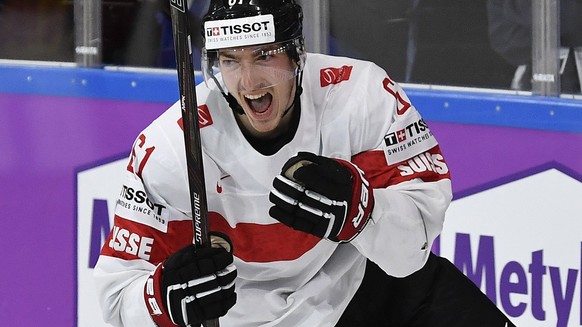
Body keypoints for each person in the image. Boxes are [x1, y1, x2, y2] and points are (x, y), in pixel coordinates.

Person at [94, 1, 516, 326]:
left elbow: (410, 254)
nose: (249, 82)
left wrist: (364, 214)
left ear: (297, 55)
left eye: (263, 55)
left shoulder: (361, 95)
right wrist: (161, 298)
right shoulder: (170, 147)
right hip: (248, 317)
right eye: (230, 60)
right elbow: (116, 298)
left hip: (356, 286)